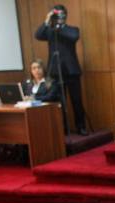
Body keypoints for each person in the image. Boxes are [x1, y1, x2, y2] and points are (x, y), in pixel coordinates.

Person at [35, 4, 87, 135]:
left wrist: (59, 25)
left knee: (76, 101)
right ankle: (63, 129)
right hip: (55, 72)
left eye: (59, 15)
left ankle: (81, 127)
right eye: (56, 15)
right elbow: (38, 35)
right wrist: (47, 20)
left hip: (72, 71)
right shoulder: (50, 30)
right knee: (59, 102)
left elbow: (73, 37)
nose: (57, 17)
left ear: (65, 16)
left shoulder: (72, 29)